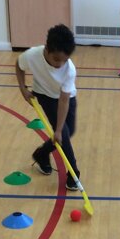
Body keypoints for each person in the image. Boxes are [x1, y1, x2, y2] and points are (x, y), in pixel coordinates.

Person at [15, 24, 81, 191]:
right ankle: (74, 174)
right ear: (47, 49)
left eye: (64, 60)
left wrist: (58, 130)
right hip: (44, 95)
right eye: (56, 59)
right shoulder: (32, 55)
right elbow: (19, 65)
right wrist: (23, 88)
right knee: (63, 133)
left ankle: (42, 153)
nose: (60, 64)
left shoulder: (69, 70)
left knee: (68, 131)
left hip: (66, 97)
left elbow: (64, 101)